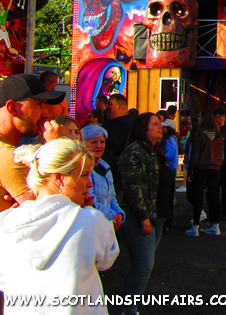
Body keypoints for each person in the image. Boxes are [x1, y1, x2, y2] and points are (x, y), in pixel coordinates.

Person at [0, 138, 118, 312]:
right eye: (84, 175)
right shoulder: (92, 220)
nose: (90, 183)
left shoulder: (6, 222)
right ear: (59, 179)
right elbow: (107, 259)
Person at [116, 112, 164, 315]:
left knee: (144, 264)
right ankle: (128, 309)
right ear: (143, 129)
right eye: (155, 124)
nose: (160, 126)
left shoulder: (152, 151)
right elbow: (131, 186)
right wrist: (143, 216)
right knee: (143, 265)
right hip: (139, 216)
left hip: (157, 215)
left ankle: (129, 307)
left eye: (160, 123)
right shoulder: (135, 151)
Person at [0, 73, 64, 212]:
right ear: (12, 108)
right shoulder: (8, 158)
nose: (46, 114)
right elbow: (52, 217)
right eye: (39, 105)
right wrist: (58, 147)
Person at [186, 109, 224, 236]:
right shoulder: (218, 135)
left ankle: (195, 226)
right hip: (215, 168)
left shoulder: (199, 135)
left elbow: (195, 156)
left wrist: (190, 171)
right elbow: (222, 155)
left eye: (200, 116)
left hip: (201, 169)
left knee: (198, 197)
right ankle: (215, 225)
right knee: (214, 197)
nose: (199, 119)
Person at [81, 124, 124, 230]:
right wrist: (112, 216)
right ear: (83, 144)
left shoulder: (105, 168)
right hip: (92, 224)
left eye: (102, 142)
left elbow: (112, 197)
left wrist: (119, 214)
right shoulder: (84, 170)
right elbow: (90, 198)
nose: (99, 146)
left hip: (107, 225)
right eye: (93, 142)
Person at [100, 93, 134, 185]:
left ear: (119, 106)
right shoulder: (108, 123)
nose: (107, 106)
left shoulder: (129, 125)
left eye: (110, 104)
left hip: (117, 175)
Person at [160, 118, 179, 230]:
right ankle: (169, 219)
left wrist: (160, 157)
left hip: (169, 168)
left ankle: (169, 220)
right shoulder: (172, 139)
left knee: (167, 195)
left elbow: (170, 154)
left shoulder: (170, 139)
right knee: (168, 195)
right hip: (170, 168)